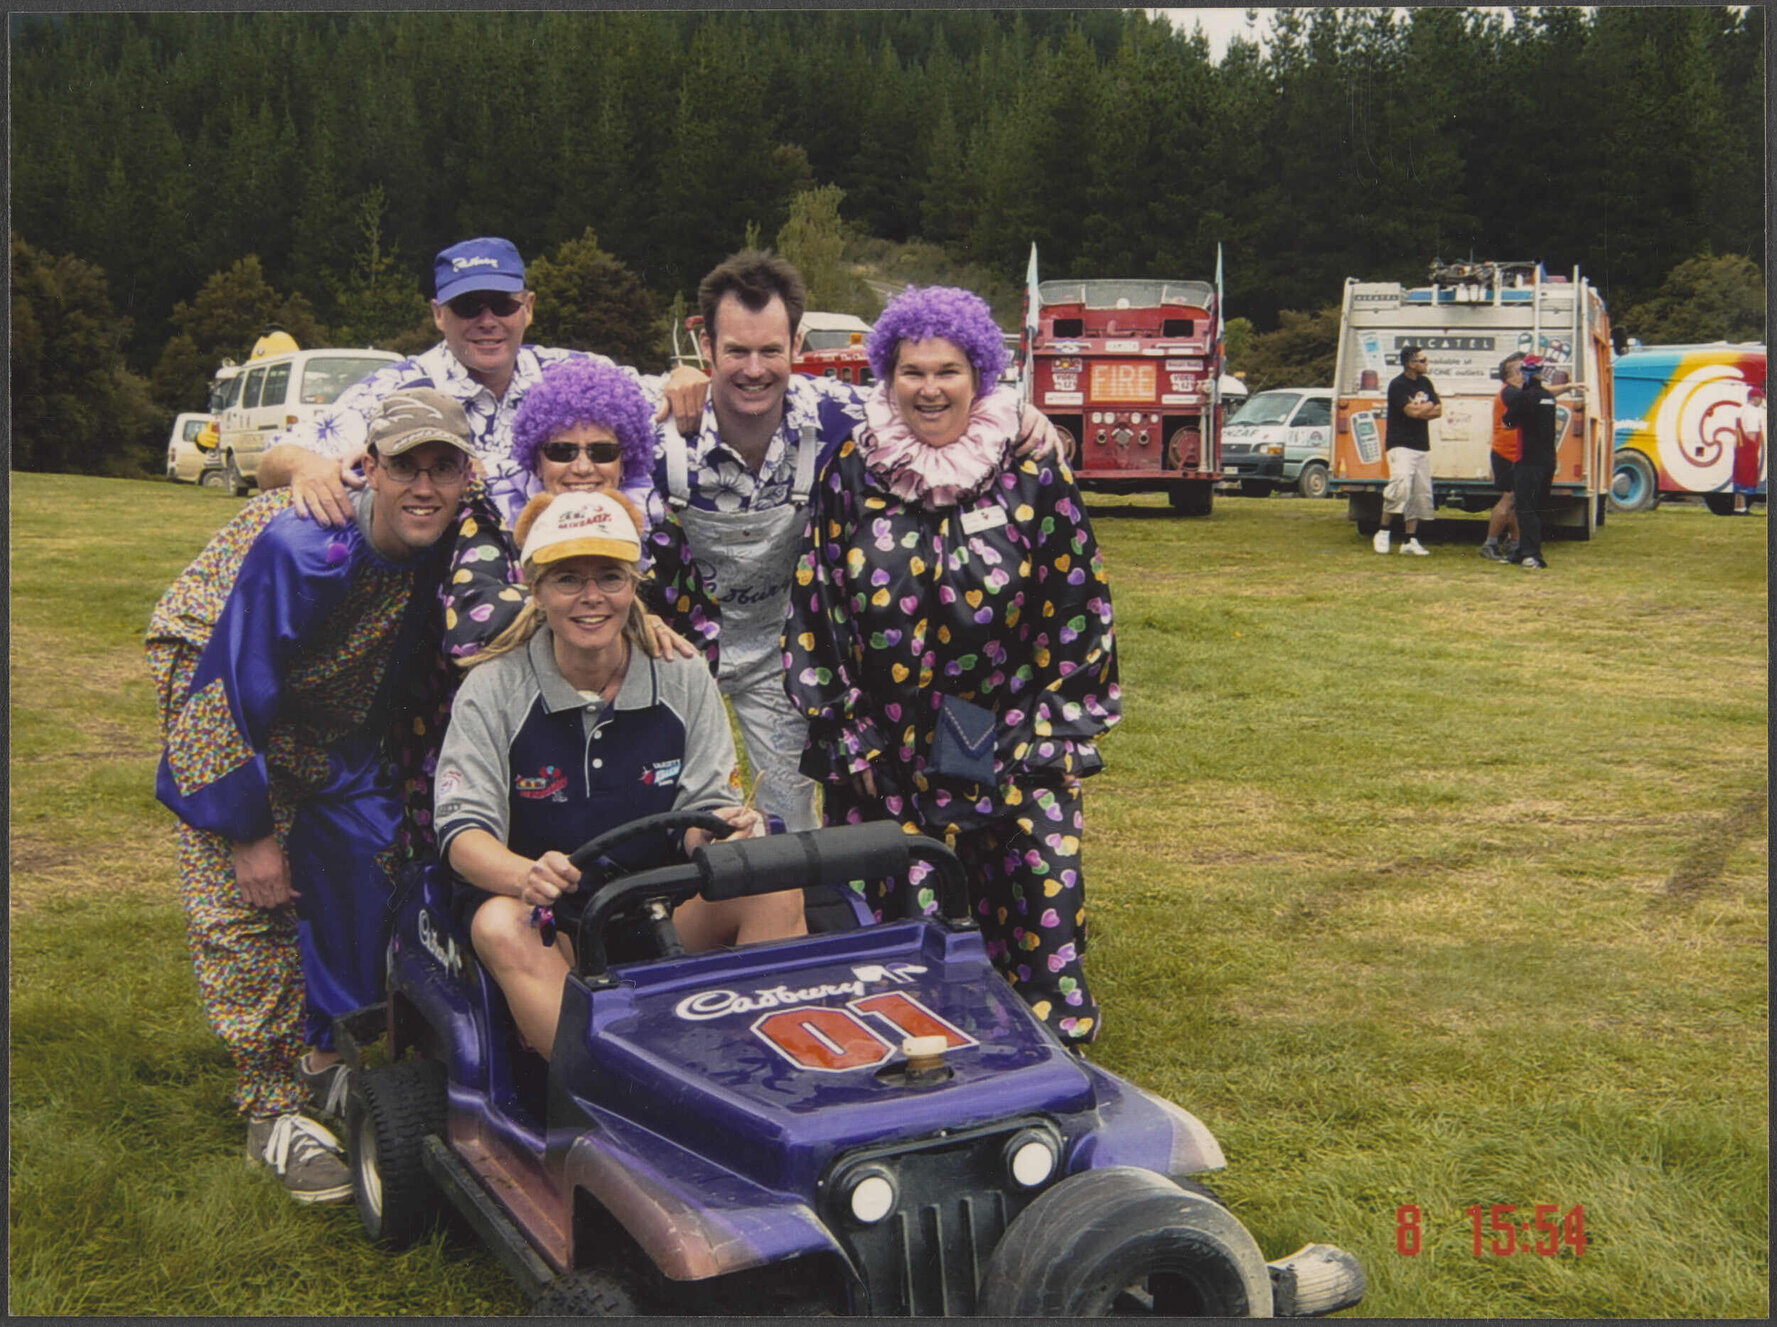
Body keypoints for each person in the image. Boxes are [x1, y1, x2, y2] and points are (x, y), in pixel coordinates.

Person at [146, 389, 476, 1202]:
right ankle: (270, 1108)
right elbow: (230, 687)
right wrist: (249, 833)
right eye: (405, 466)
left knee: (368, 856)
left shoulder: (454, 533)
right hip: (216, 671)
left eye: (442, 467)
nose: (424, 486)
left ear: (467, 477)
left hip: (324, 699)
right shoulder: (307, 546)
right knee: (246, 893)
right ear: (371, 467)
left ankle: (327, 1055)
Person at [784, 285, 1120, 1047]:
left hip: (1008, 727)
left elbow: (1077, 601)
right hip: (888, 741)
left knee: (1034, 878)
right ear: (887, 375)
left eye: (947, 371)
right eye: (911, 371)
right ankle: (906, 1033)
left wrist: (1049, 728)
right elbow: (817, 602)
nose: (929, 388)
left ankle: (1045, 1038)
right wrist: (845, 731)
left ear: (979, 376)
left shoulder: (1030, 464)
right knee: (899, 926)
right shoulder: (851, 467)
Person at [656, 250, 1062, 838]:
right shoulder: (657, 423)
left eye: (771, 350)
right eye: (736, 351)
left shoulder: (841, 413)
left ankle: (791, 898)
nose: (754, 369)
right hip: (678, 654)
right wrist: (675, 379)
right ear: (706, 348)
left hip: (779, 655)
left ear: (796, 344)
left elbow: (930, 402)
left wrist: (1019, 413)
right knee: (667, 807)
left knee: (790, 819)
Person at [432, 490, 805, 1060]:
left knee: (772, 881)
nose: (591, 598)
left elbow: (703, 807)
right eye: (567, 580)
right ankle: (597, 1081)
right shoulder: (493, 686)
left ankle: (754, 1063)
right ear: (536, 590)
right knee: (500, 923)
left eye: (610, 577)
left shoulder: (682, 672)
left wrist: (720, 831)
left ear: (634, 586)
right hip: (551, 921)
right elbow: (463, 833)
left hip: (662, 910)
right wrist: (526, 875)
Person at [257, 235, 707, 527]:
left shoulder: (575, 373)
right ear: (438, 315)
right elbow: (274, 460)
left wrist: (685, 375)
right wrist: (304, 466)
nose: (487, 321)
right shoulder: (395, 390)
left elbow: (671, 387)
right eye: (469, 307)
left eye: (502, 305)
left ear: (528, 308)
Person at [1501, 354, 1584, 569]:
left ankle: (1531, 554)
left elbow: (1507, 423)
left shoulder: (1523, 398)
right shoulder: (1548, 397)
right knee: (1535, 508)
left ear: (1524, 372)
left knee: (1525, 509)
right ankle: (1522, 552)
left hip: (1527, 460)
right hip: (1547, 460)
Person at [1374, 344, 1440, 555]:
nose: (1426, 364)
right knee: (1400, 486)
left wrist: (1422, 409)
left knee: (1418, 493)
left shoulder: (1426, 383)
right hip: (1400, 444)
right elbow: (1411, 412)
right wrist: (1424, 408)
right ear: (1411, 364)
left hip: (1421, 445)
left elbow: (1438, 409)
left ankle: (1409, 540)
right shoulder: (1398, 385)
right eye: (1422, 360)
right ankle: (1383, 531)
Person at [1479, 352, 1525, 562]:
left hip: (1511, 452)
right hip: (1507, 453)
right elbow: (1536, 397)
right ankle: (1490, 543)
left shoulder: (1512, 393)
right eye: (1522, 369)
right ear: (1513, 374)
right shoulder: (1510, 393)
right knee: (1508, 499)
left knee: (1515, 500)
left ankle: (1515, 542)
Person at [1732, 385, 1765, 514]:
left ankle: (1739, 507)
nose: (1761, 401)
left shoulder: (1741, 410)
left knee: (1739, 478)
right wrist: (1755, 446)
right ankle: (1741, 508)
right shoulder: (1752, 412)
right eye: (1760, 398)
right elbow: (1752, 433)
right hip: (1748, 449)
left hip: (1739, 447)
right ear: (1755, 398)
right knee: (1746, 478)